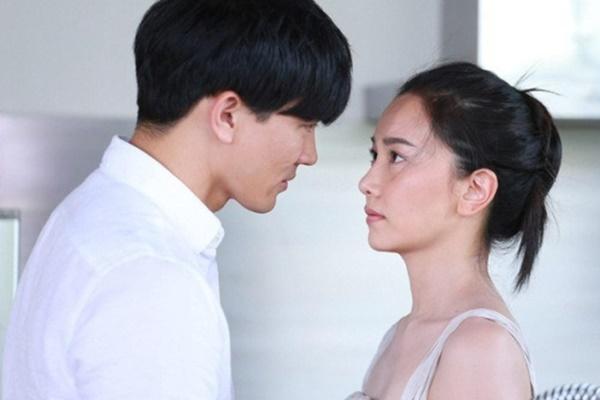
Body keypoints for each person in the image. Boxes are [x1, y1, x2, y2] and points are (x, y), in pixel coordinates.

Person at [2, 0, 352, 399]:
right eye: (305, 125)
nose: (309, 154)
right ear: (227, 115)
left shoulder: (90, 213)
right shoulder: (152, 277)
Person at [347, 62, 561, 400]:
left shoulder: (480, 348)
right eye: (375, 155)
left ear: (475, 190)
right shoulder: (401, 335)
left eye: (397, 156)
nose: (367, 182)